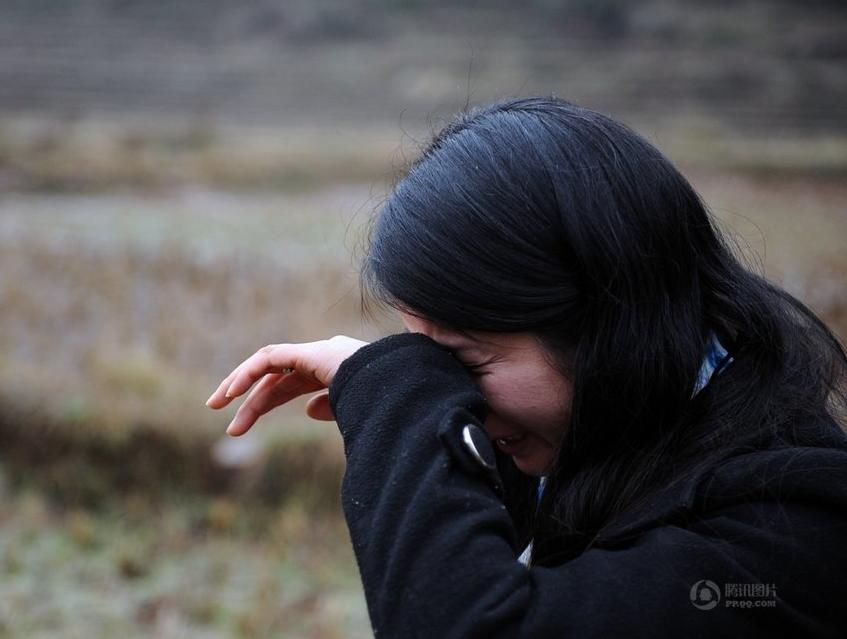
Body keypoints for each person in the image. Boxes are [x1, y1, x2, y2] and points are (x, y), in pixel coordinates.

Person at [205, 96, 847, 637]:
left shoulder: (791, 534)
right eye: (424, 353)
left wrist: (396, 398)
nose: (452, 394)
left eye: (464, 359)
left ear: (612, 329)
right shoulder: (609, 454)